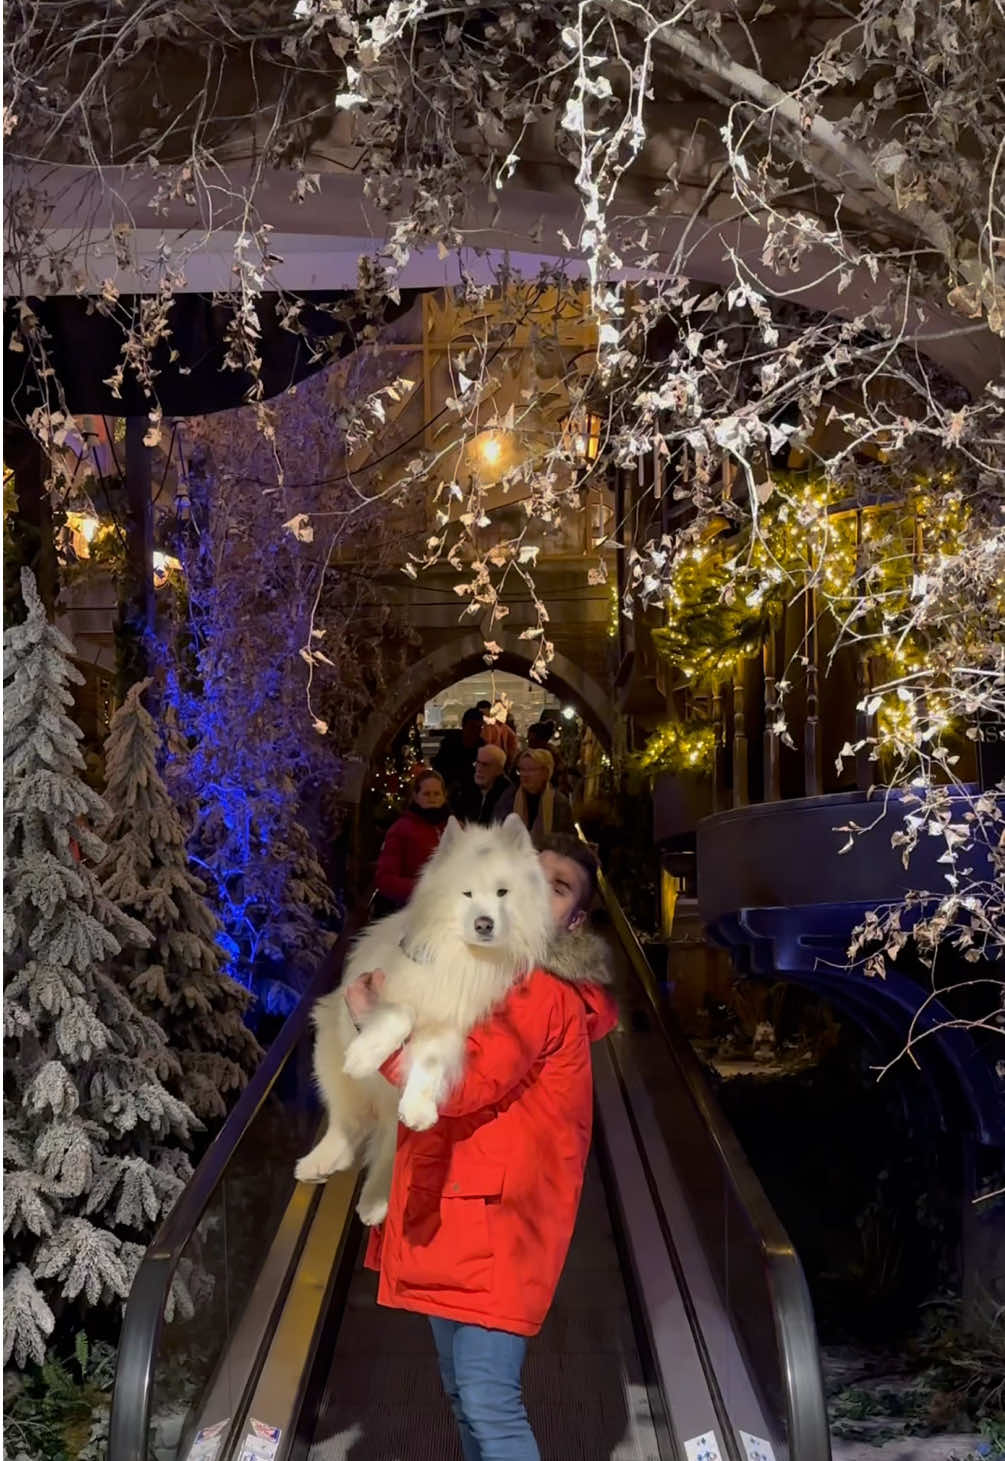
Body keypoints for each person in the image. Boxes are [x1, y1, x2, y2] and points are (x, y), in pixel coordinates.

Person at [347, 837, 618, 1461]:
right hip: (461, 1216)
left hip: (498, 1224)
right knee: (466, 1399)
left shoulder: (538, 990)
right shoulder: (484, 976)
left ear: (573, 920)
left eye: (557, 887)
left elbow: (463, 1083)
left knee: (486, 1401)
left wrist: (374, 1024)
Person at [373, 768, 449, 911]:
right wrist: (423, 888)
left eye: (437, 794)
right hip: (414, 909)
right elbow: (385, 880)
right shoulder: (400, 830)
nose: (432, 798)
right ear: (415, 796)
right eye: (426, 794)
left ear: (444, 796)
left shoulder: (454, 827)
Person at [493, 749, 575, 847]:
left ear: (546, 772)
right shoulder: (510, 796)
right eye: (521, 770)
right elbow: (496, 827)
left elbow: (568, 839)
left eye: (531, 770)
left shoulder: (558, 802)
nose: (524, 775)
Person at [433, 707, 486, 813]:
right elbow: (439, 768)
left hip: (473, 799)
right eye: (472, 727)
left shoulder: (482, 747)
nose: (475, 732)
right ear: (464, 725)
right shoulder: (449, 743)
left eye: (479, 728)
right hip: (448, 795)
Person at [461, 742, 511, 826]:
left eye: (485, 765)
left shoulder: (507, 795)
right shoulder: (469, 789)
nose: (479, 769)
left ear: (499, 770)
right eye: (477, 763)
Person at [477, 699, 519, 766]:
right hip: (500, 759)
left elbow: (513, 741)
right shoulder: (501, 726)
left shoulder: (500, 726)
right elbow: (513, 741)